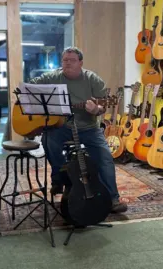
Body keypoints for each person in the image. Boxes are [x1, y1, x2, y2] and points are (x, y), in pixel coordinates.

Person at [29, 47, 127, 213]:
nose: (67, 63)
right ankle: (59, 179)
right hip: (62, 127)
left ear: (81, 63)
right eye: (65, 60)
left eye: (72, 60)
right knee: (48, 140)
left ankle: (112, 198)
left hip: (88, 128)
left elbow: (103, 105)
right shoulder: (53, 77)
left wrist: (96, 110)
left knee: (105, 157)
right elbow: (30, 88)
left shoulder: (92, 79)